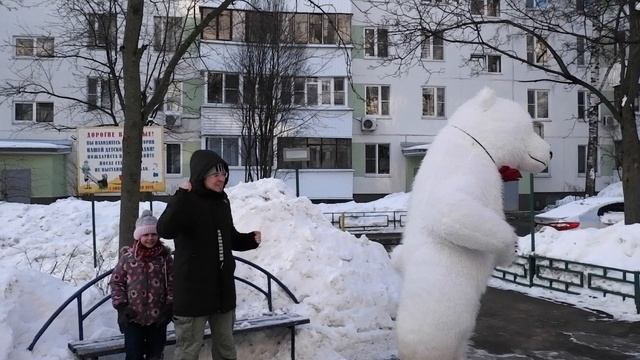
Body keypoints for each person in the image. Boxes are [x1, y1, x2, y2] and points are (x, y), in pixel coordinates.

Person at [157, 149, 262, 360]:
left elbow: (228, 238)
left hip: (222, 292)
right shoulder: (186, 201)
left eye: (224, 174)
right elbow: (164, 230)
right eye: (215, 174)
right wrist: (179, 197)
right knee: (188, 352)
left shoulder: (222, 202)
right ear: (201, 175)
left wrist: (249, 240)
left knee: (226, 350)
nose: (221, 178)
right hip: (193, 293)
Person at [110, 210, 174, 360]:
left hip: (158, 318)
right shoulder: (128, 258)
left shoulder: (164, 258)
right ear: (139, 236)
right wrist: (121, 307)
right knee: (134, 354)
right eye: (145, 235)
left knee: (155, 354)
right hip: (133, 317)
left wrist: (169, 307)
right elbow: (116, 281)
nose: (150, 238)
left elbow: (172, 283)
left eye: (153, 234)